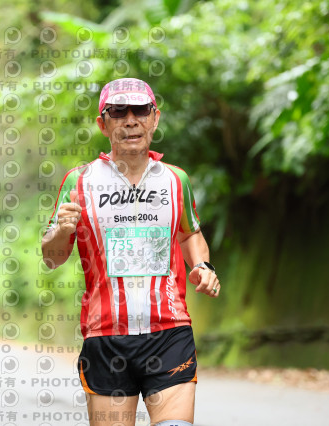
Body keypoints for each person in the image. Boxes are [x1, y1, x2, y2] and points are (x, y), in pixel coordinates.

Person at [41, 78, 220, 426]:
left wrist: (202, 265)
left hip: (169, 331)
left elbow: (190, 233)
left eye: (140, 110)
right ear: (102, 124)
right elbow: (52, 257)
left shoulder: (175, 180)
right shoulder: (79, 182)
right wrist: (61, 230)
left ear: (155, 118)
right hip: (105, 335)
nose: (131, 120)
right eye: (118, 112)